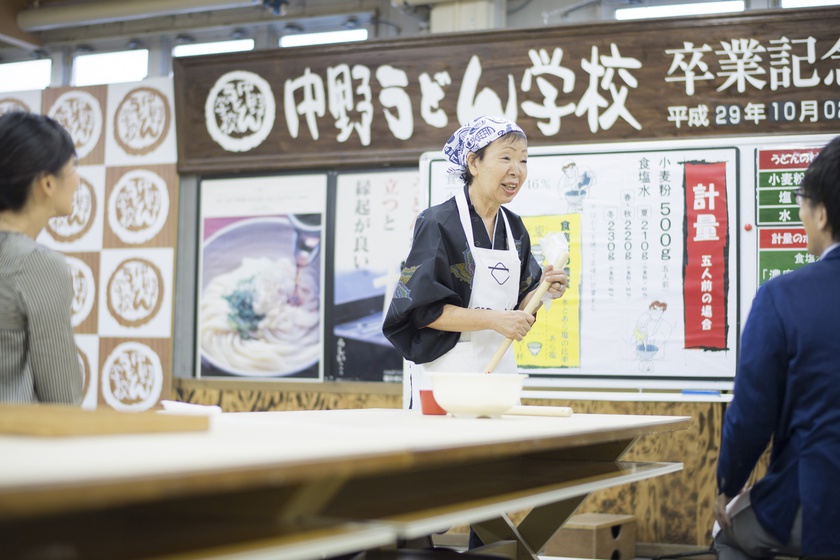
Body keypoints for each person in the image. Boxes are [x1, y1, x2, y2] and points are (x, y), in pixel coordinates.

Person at [383, 115, 568, 406]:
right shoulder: (438, 223)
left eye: (523, 160)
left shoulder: (515, 229)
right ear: (473, 163)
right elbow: (423, 313)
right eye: (506, 157)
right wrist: (495, 320)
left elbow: (519, 310)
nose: (516, 171)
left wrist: (544, 291)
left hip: (501, 368)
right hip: (448, 370)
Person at [714, 136, 840, 560]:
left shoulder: (784, 297)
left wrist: (727, 487)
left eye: (803, 201)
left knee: (726, 535)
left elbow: (751, 414)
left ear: (821, 213)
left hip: (820, 497)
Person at [0, 111, 84, 405]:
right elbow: (62, 398)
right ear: (47, 184)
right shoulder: (35, 263)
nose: (77, 180)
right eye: (73, 167)